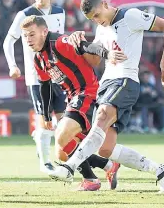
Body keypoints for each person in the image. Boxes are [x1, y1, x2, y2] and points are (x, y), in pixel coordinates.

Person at [48, 0, 164, 193]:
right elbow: (95, 62)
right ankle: (162, 171)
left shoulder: (130, 16)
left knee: (100, 118)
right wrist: (80, 45)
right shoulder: (100, 29)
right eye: (92, 19)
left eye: (98, 15)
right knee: (105, 148)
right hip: (106, 85)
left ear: (105, 4)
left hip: (125, 80)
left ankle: (69, 167)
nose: (97, 20)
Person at [21, 15, 125, 191]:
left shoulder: (59, 42)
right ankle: (108, 165)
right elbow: (45, 86)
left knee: (62, 137)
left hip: (89, 92)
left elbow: (85, 46)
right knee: (62, 153)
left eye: (32, 34)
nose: (28, 40)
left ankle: (91, 180)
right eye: (25, 36)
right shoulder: (39, 59)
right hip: (73, 98)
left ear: (44, 31)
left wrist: (107, 54)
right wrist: (47, 115)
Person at [3, 0, 66, 173]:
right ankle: (45, 161)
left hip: (59, 75)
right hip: (37, 77)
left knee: (64, 120)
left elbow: (59, 44)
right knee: (45, 119)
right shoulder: (25, 15)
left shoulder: (59, 12)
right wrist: (13, 65)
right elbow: (8, 41)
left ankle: (65, 157)